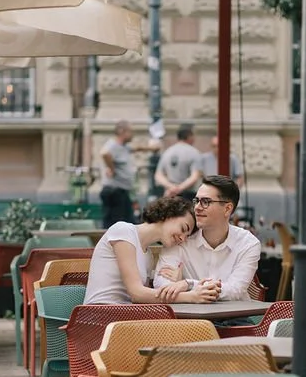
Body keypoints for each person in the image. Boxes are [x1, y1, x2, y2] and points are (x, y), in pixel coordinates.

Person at [83, 196, 220, 305]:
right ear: (168, 214)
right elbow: (136, 293)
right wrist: (191, 297)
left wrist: (175, 283)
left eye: (187, 236)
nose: (182, 239)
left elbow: (147, 296)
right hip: (98, 316)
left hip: (124, 317)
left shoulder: (148, 255)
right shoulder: (123, 231)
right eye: (183, 229)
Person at [152, 175, 260, 303]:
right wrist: (186, 289)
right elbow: (161, 284)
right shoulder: (181, 239)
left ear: (227, 209)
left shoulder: (248, 243)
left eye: (205, 202)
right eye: (196, 201)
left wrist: (188, 284)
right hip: (190, 318)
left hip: (234, 317)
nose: (197, 207)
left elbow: (235, 290)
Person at [99, 120, 159, 229]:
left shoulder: (124, 147)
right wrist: (111, 168)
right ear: (122, 131)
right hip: (114, 192)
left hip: (122, 192)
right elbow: (104, 153)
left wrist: (151, 148)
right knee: (115, 226)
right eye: (130, 131)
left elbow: (136, 148)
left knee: (129, 223)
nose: (132, 134)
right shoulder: (113, 145)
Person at [154, 124, 202, 202]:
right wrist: (179, 188)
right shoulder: (194, 152)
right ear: (190, 136)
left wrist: (171, 187)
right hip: (188, 195)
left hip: (170, 194)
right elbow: (195, 176)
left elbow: (158, 175)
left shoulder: (167, 152)